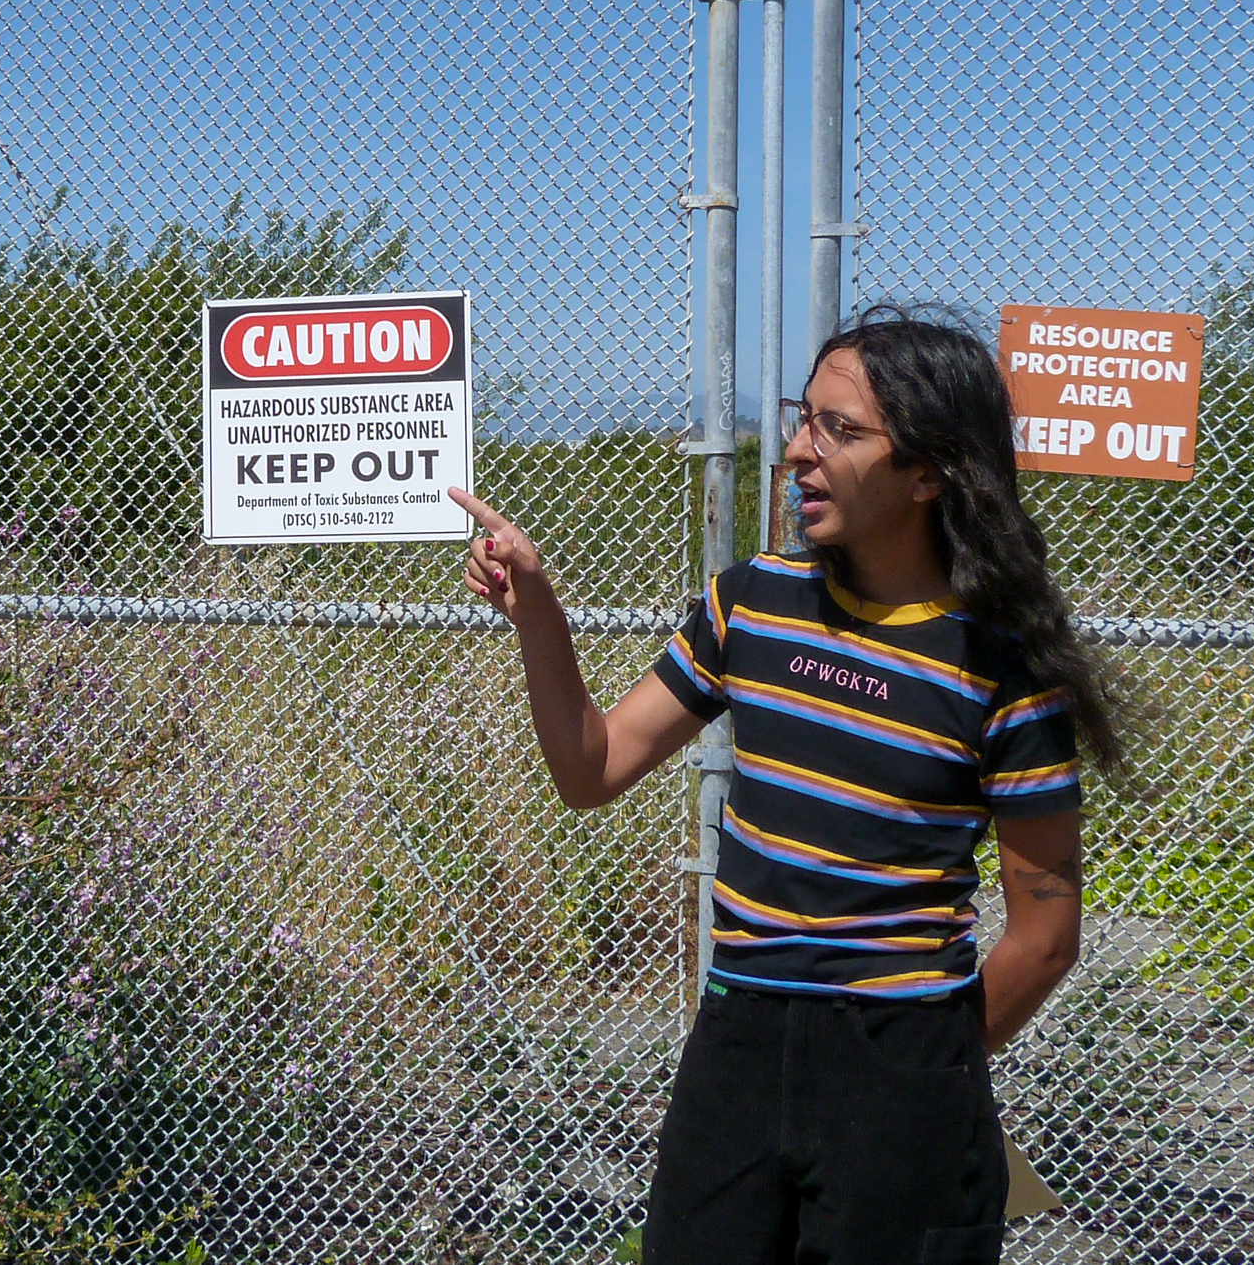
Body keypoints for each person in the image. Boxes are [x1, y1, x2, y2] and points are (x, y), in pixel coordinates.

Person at [449, 306, 1132, 1265]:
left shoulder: (1004, 672)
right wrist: (539, 613)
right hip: (735, 1043)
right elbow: (591, 769)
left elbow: (1046, 938)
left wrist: (925, 1074)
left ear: (930, 472)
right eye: (802, 418)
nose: (799, 453)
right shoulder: (750, 603)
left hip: (903, 1065)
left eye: (840, 431)